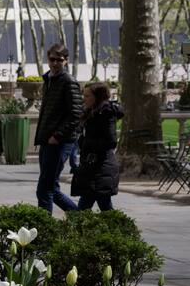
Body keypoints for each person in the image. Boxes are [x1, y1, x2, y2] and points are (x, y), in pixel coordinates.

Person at [34, 43, 83, 213]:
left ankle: (44, 230)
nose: (55, 63)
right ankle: (80, 218)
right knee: (51, 188)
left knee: (44, 190)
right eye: (52, 59)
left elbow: (76, 114)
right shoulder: (49, 80)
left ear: (66, 61)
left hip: (58, 142)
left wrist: (57, 136)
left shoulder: (68, 82)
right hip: (47, 140)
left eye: (59, 60)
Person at [71, 83, 123, 211]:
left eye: (87, 96)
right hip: (92, 167)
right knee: (100, 205)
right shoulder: (90, 113)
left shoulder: (106, 114)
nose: (84, 99)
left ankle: (117, 228)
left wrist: (88, 143)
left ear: (97, 97)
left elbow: (111, 142)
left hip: (101, 166)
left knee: (90, 205)